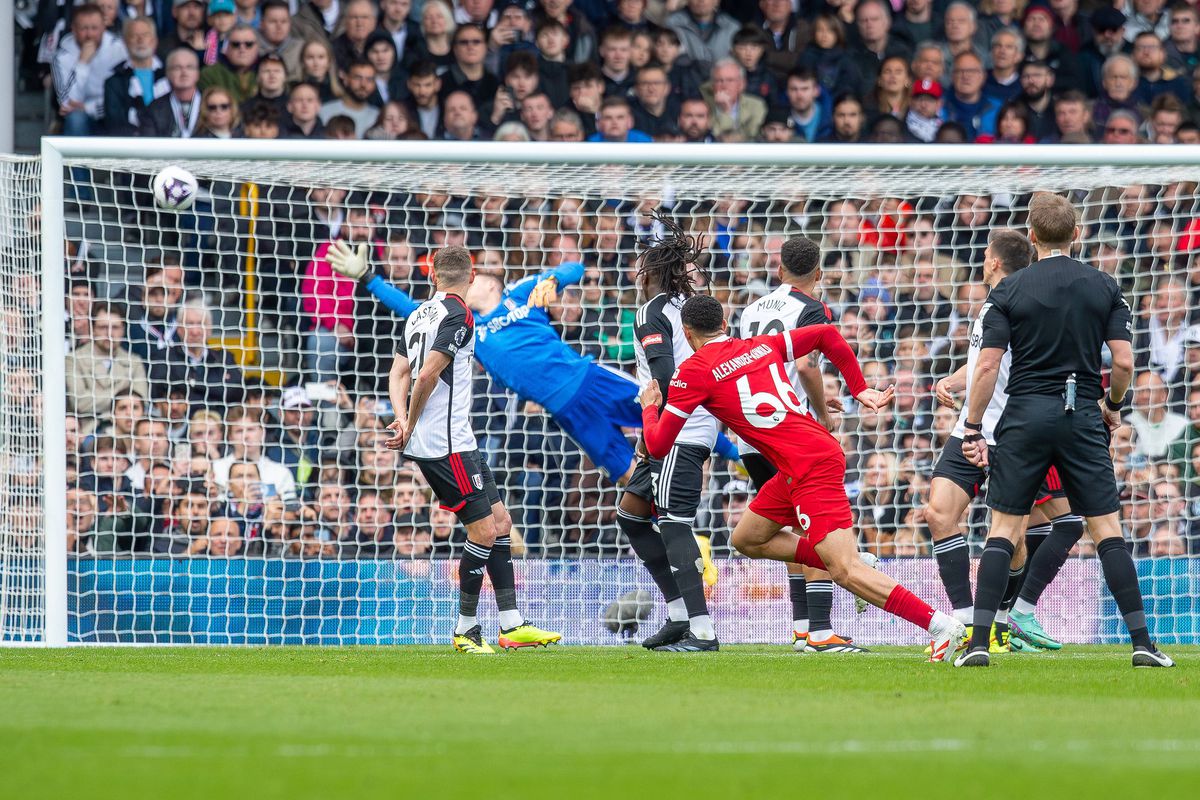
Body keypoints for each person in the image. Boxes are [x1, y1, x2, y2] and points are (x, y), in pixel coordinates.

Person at [638, 294, 967, 661]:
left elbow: (657, 445)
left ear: (685, 332)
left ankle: (940, 625)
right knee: (747, 537)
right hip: (802, 460)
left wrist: (650, 408)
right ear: (725, 326)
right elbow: (827, 334)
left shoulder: (693, 371)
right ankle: (855, 565)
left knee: (844, 569)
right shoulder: (763, 345)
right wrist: (858, 388)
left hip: (810, 466)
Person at [956, 192, 1173, 668]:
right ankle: (1142, 645)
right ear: (1077, 234)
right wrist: (1112, 405)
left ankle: (976, 646)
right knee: (1105, 529)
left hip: (1025, 415)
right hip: (1080, 414)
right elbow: (1122, 361)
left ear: (1031, 237)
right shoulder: (1104, 285)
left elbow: (989, 364)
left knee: (1004, 529)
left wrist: (972, 427)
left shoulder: (1007, 292)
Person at [325, 240, 705, 483]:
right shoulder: (466, 324)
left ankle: (728, 451)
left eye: (470, 281)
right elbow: (412, 308)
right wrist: (369, 278)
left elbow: (577, 267)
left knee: (667, 411)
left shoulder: (521, 294)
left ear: (489, 282)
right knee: (625, 474)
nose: (459, 288)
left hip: (588, 378)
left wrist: (554, 280)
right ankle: (668, 523)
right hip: (563, 409)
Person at [385, 246, 561, 655]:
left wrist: (399, 416)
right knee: (482, 531)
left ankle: (512, 624)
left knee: (500, 521)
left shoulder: (416, 315)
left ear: (432, 276)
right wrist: (409, 422)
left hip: (457, 440)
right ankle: (466, 629)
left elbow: (398, 372)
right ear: (471, 275)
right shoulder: (458, 314)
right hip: (445, 446)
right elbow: (426, 373)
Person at [925, 229, 1082, 655]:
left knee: (1014, 537)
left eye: (984, 255)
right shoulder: (991, 305)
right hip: (971, 428)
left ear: (994, 262)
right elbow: (983, 362)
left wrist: (975, 423)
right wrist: (953, 381)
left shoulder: (1018, 302)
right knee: (939, 512)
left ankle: (1001, 620)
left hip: (1007, 434)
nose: (980, 260)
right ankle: (962, 618)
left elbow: (997, 366)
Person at [736, 236, 865, 654]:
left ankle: (802, 627)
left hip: (751, 435)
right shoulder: (812, 309)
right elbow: (806, 364)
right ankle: (822, 630)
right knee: (814, 525)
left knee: (789, 527)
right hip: (789, 433)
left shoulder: (751, 310)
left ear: (779, 270)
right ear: (819, 274)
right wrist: (822, 415)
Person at [616, 211, 722, 652]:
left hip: (678, 428)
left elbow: (663, 374)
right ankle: (679, 615)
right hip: (689, 424)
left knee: (674, 524)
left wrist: (653, 424)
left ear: (652, 273)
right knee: (632, 515)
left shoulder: (651, 311)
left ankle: (703, 631)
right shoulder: (684, 309)